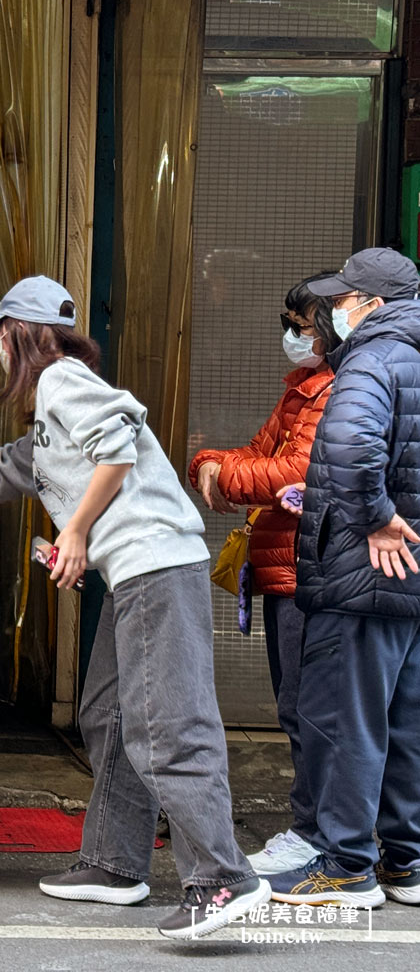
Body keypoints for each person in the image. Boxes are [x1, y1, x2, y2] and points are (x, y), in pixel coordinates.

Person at [0, 275, 269, 939]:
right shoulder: (47, 425)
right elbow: (6, 472)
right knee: (107, 711)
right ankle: (113, 864)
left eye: (0, 332)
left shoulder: (60, 379)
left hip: (156, 566)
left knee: (167, 728)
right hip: (135, 569)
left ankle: (223, 879)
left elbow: (116, 443)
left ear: (23, 334)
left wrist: (77, 532)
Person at [265, 247, 420, 908]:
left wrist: (378, 518)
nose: (333, 310)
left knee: (347, 720)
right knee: (405, 721)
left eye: (345, 298)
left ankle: (347, 865)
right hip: (411, 578)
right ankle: (407, 861)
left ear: (375, 306)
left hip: (365, 570)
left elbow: (352, 445)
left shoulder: (372, 360)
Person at [186, 274, 337, 876]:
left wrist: (221, 476)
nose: (291, 337)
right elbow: (259, 451)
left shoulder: (334, 392)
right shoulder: (300, 390)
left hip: (309, 568)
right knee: (296, 707)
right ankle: (319, 829)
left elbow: (295, 470)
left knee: (310, 711)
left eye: (300, 328)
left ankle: (319, 833)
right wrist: (209, 461)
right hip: (282, 568)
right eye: (290, 325)